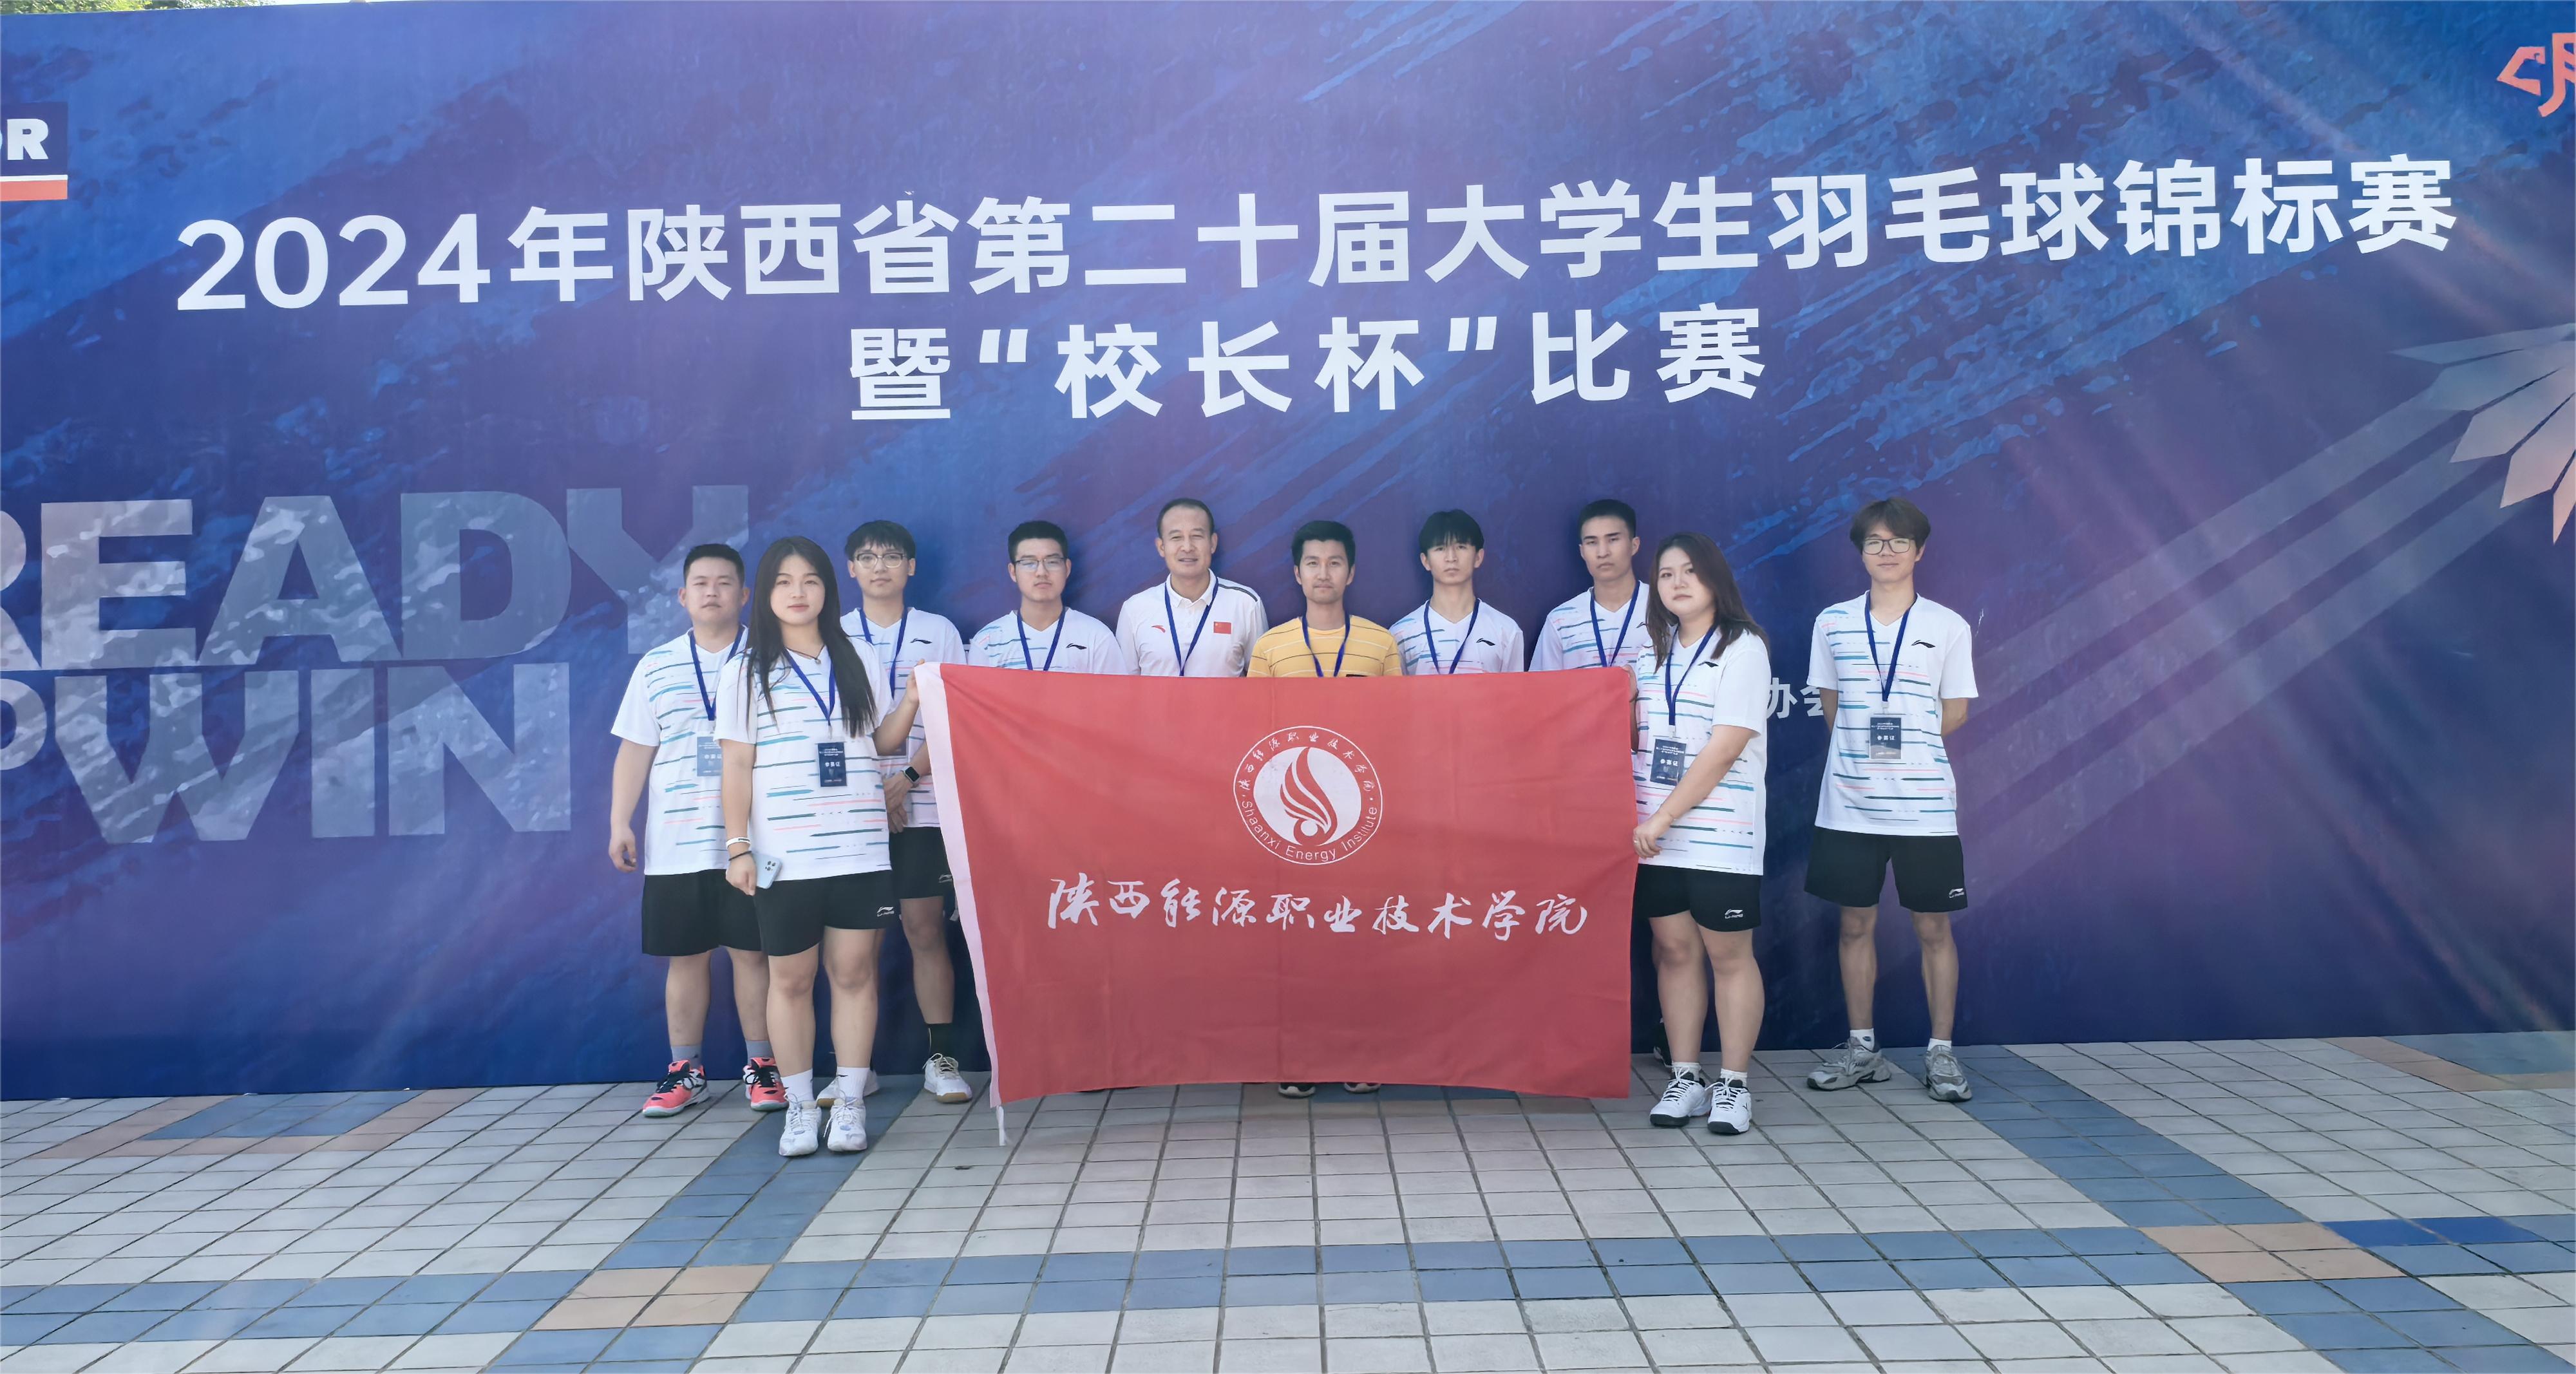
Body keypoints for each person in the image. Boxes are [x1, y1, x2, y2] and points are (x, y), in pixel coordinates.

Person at [718, 536, 921, 1158]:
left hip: (860, 848)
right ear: (766, 594)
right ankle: (801, 1108)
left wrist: (914, 699)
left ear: (828, 589)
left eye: (810, 580)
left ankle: (851, 1103)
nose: (798, 592)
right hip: (787, 856)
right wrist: (738, 847)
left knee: (855, 974)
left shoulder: (857, 656)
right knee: (791, 980)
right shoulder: (745, 669)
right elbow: (736, 765)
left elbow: (880, 743)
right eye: (784, 582)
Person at [1801, 496, 1979, 1104]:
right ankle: (1862, 1049)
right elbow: (1831, 705)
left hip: (1924, 808)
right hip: (1848, 806)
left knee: (1934, 927)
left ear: (1919, 551)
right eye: (1875, 541)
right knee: (1854, 925)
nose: (1887, 551)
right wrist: (1862, 754)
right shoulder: (1832, 623)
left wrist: (1908, 751)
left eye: (1899, 542)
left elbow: (1955, 712)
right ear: (1861, 551)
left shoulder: (1948, 626)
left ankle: (1941, 1053)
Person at [607, 544, 782, 1119]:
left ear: (744, 595)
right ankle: (686, 1070)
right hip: (677, 842)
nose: (712, 592)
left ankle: (763, 1067)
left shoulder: (772, 659)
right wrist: (619, 821)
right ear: (683, 596)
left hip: (753, 841)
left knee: (753, 956)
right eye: (701, 583)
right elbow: (636, 750)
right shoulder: (656, 666)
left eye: (724, 582)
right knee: (685, 958)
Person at [1244, 520, 1402, 1098]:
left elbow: (1399, 730)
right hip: (1286, 822)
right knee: (1295, 937)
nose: (1323, 573)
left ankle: (1359, 1052)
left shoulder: (1381, 644)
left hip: (1362, 817)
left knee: (1358, 934)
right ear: (1297, 573)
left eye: (1335, 562)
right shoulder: (1271, 646)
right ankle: (1300, 1056)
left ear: (1351, 572)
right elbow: (1249, 730)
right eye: (1312, 563)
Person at [1633, 534, 1772, 1136]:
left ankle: (1733, 1085)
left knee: (1728, 957)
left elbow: (1725, 747)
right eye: (1666, 574)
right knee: (1675, 952)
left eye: (1690, 571)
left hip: (1719, 835)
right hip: (1655, 838)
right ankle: (1686, 1077)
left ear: (1715, 577)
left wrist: (1664, 816)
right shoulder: (1650, 652)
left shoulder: (1743, 648)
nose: (1678, 583)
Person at [841, 521, 972, 1106]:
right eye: (868, 558)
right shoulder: (833, 633)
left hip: (926, 800)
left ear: (911, 567)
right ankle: (856, 1068)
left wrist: (908, 780)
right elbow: (831, 725)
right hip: (855, 809)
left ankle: (941, 1058)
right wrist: (875, 791)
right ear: (851, 569)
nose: (880, 567)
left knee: (925, 930)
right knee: (857, 942)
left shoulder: (938, 631)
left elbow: (955, 715)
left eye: (892, 556)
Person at [1115, 498, 1268, 677]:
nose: (1187, 547)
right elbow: (1123, 686)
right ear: (1161, 547)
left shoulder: (1246, 604)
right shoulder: (1135, 609)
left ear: (1213, 543)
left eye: (1197, 536)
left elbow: (1261, 683)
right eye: (1176, 537)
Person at [969, 521, 1133, 674]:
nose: (1041, 572)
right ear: (1013, 572)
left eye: (1052, 562)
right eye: (1029, 563)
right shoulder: (987, 642)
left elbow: (1114, 696)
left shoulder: (1096, 636)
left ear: (1067, 568)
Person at [1388, 509, 1525, 675]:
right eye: (1440, 548)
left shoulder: (1506, 630)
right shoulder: (1401, 634)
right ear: (1426, 561)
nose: (1451, 557)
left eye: (1461, 547)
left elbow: (1514, 692)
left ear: (1478, 557)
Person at [1531, 499, 1649, 673]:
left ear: (1634, 545)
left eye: (1613, 540)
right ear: (1582, 551)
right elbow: (1543, 688)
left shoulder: (1664, 610)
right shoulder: (1561, 621)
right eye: (1592, 542)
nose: (1603, 552)